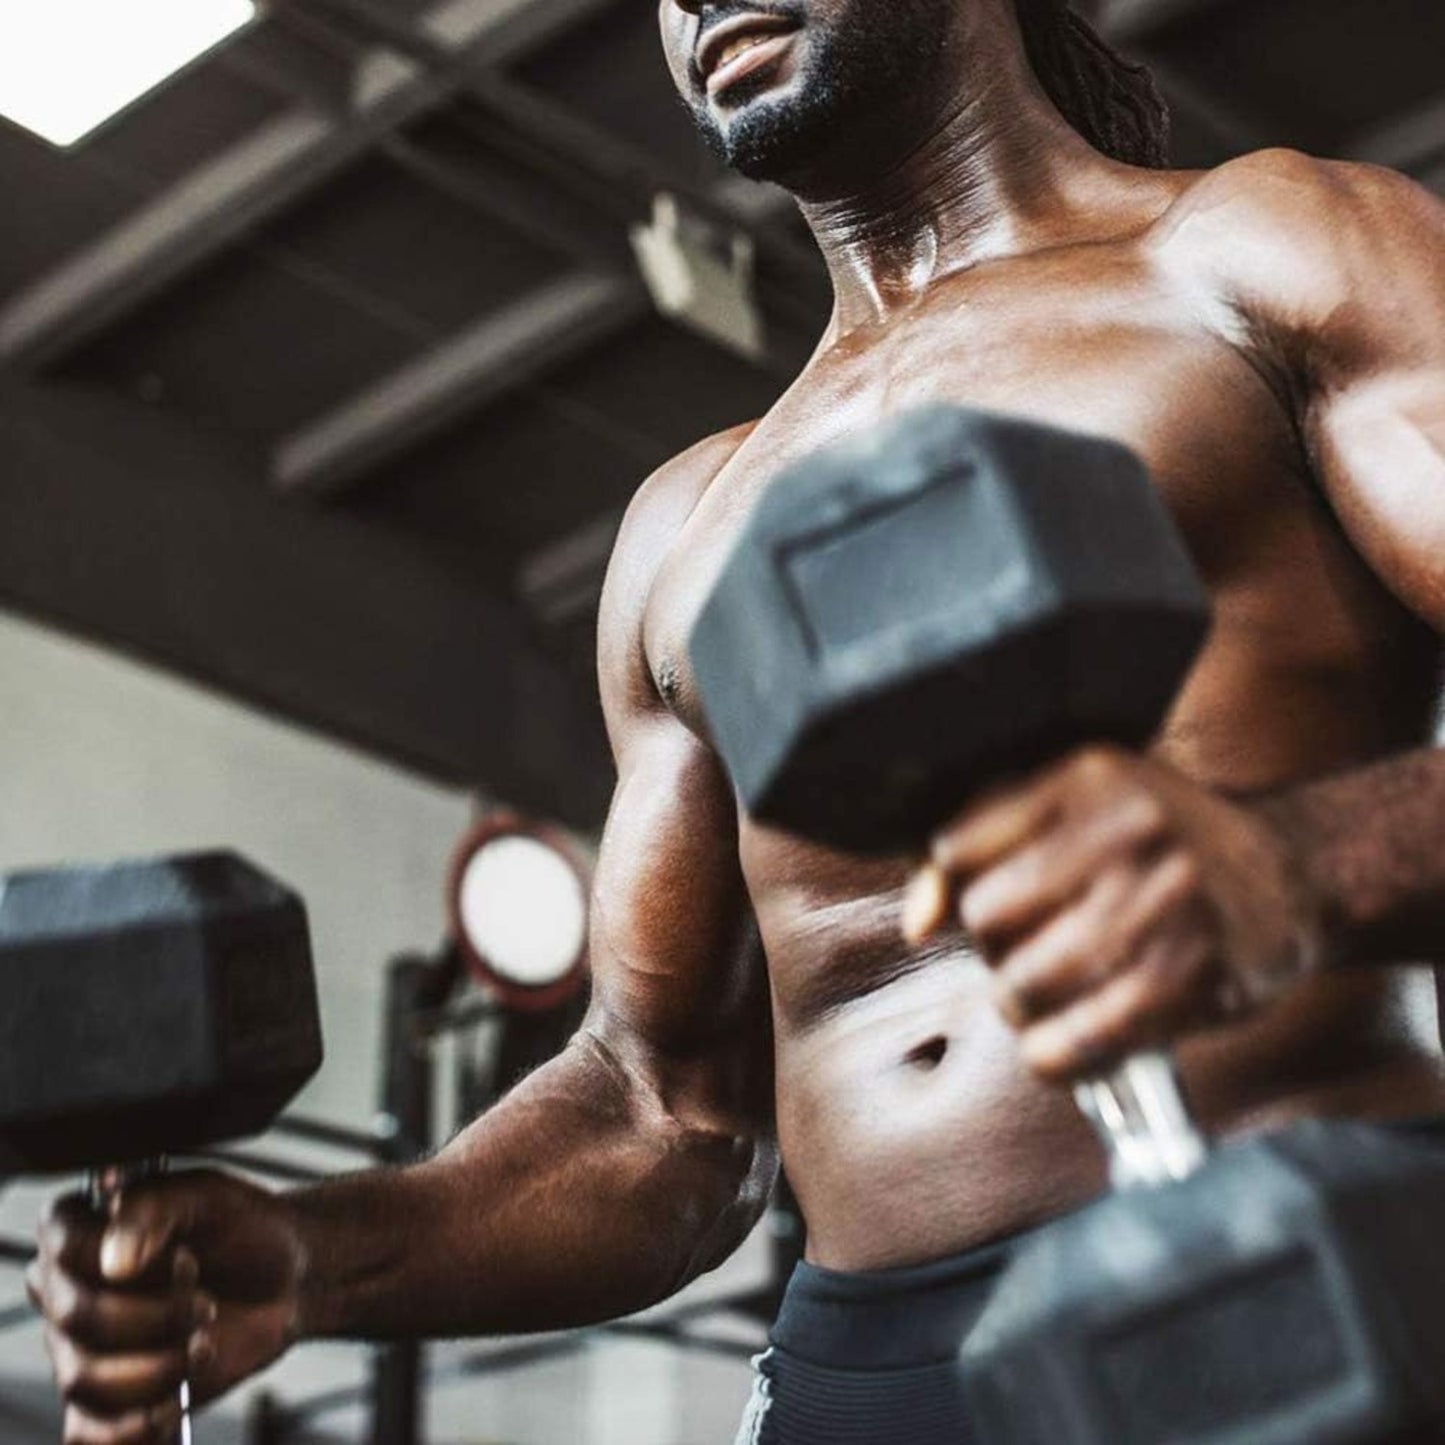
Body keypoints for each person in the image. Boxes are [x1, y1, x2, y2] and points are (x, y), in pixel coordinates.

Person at [29, 2, 1445, 1441]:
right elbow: (663, 1121)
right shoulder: (684, 528)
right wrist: (324, 1253)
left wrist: (1295, 864)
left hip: (1300, 1268)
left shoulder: (1262, 255)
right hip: (868, 1368)